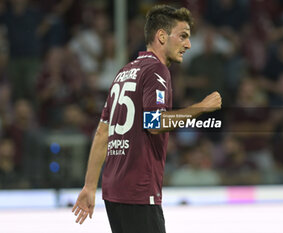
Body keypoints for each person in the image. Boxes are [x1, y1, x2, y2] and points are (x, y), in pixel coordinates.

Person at [72, 5, 222, 233]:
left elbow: (103, 132)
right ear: (162, 36)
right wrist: (201, 107)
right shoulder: (156, 70)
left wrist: (90, 186)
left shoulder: (124, 72)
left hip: (113, 192)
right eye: (183, 36)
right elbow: (155, 124)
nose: (188, 45)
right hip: (138, 192)